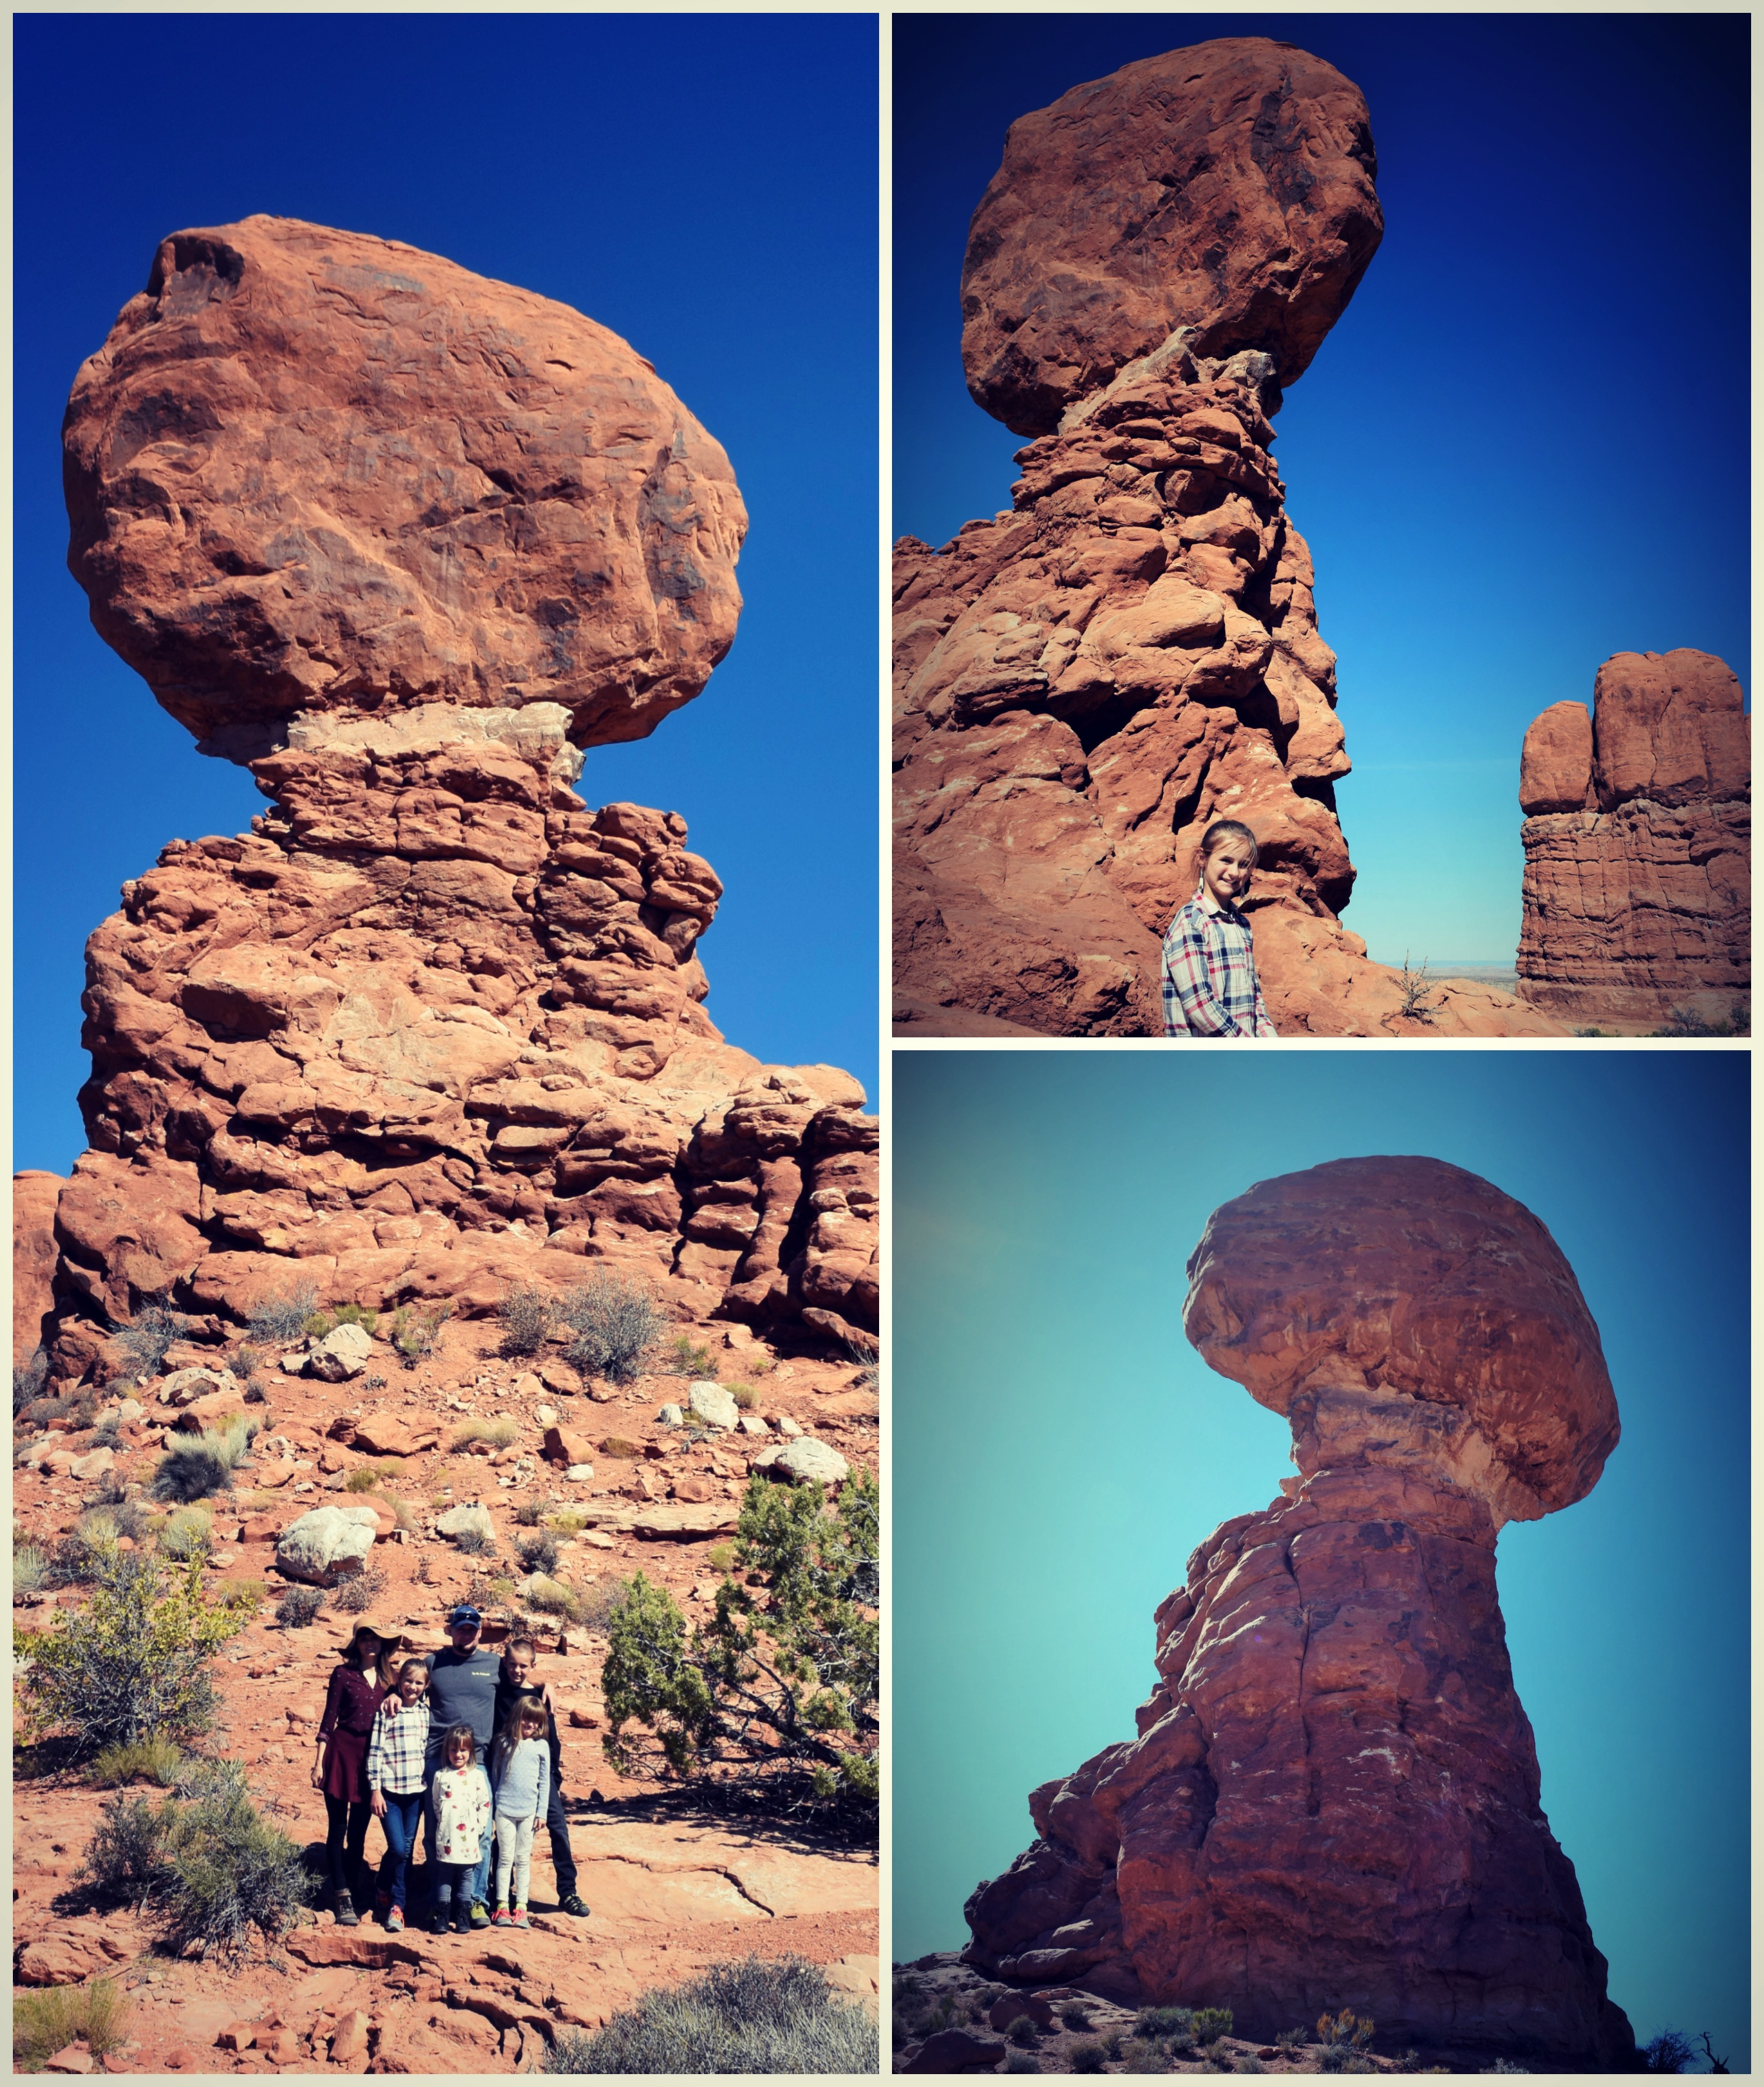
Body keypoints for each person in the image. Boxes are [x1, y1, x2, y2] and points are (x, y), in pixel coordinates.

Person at [418, 1604, 503, 1926]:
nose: (466, 1633)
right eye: (460, 1627)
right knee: (434, 1832)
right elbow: (407, 1684)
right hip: (437, 1761)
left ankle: (475, 1901)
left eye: (472, 1628)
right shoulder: (433, 1663)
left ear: (480, 1632)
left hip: (477, 1763)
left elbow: (521, 1683)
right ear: (450, 1630)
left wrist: (544, 1686)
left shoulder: (494, 1664)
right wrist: (392, 1695)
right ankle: (438, 1902)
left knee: (480, 1832)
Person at [495, 1634, 590, 1917]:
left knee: (558, 1828)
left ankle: (568, 1892)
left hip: (540, 1774)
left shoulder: (540, 1699)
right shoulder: (497, 1689)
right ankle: (501, 1892)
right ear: (505, 1663)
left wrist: (554, 1777)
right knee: (503, 1834)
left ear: (533, 1666)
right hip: (507, 1775)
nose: (517, 1670)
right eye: (512, 1665)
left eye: (523, 1666)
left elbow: (552, 1741)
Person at [1160, 818, 1277, 1038]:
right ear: (1202, 859)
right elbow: (1200, 1006)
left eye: (1243, 865)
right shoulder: (1191, 922)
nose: (1234, 872)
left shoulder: (1241, 924)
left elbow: (1255, 999)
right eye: (1226, 860)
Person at [311, 1623, 388, 1926]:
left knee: (359, 1831)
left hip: (371, 1760)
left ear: (383, 1645)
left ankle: (353, 1886)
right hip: (341, 1754)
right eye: (365, 1639)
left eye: (375, 1639)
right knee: (338, 1827)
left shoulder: (389, 1679)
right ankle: (341, 1893)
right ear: (356, 1643)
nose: (370, 1644)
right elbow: (329, 1719)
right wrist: (319, 1762)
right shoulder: (343, 1674)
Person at [366, 1656, 431, 1932]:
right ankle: (382, 1883)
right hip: (390, 1792)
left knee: (406, 1853)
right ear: (399, 1682)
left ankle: (397, 1906)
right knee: (397, 1848)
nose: (412, 1687)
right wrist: (375, 1790)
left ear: (426, 1685)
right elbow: (375, 1752)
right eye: (408, 1681)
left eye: (418, 1683)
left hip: (416, 1793)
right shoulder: (387, 1712)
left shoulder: (426, 1714)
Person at [487, 1693, 551, 1929]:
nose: (530, 1725)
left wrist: (541, 1813)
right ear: (518, 1717)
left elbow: (545, 1782)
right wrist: (493, 1807)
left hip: (528, 1814)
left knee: (522, 1860)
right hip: (504, 1809)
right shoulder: (504, 1742)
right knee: (504, 1858)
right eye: (526, 1719)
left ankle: (521, 1907)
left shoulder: (542, 1747)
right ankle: (502, 1905)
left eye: (535, 1721)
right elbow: (495, 1776)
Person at [426, 1721, 493, 1936]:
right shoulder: (441, 1776)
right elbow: (436, 1803)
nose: (458, 1754)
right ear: (448, 1751)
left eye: (463, 1750)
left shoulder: (476, 1777)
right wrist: (445, 1821)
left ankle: (463, 1914)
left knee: (466, 1877)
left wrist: (480, 1825)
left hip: (469, 1839)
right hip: (447, 1838)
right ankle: (444, 1915)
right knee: (444, 1876)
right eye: (454, 1750)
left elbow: (484, 1804)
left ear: (470, 1751)